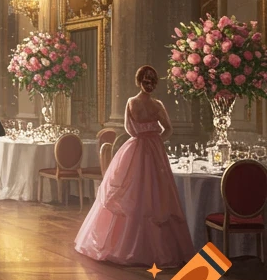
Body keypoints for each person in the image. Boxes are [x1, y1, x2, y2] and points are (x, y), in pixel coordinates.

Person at [74, 66, 194, 267]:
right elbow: (169, 129)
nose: (149, 84)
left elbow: (130, 129)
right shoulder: (157, 105)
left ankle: (124, 246)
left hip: (136, 146)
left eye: (150, 81)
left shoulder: (132, 102)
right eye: (149, 81)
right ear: (145, 82)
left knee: (133, 191)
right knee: (156, 194)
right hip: (154, 149)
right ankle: (159, 249)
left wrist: (142, 137)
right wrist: (156, 140)